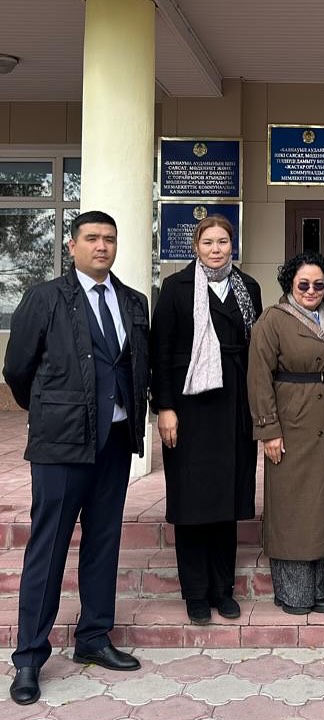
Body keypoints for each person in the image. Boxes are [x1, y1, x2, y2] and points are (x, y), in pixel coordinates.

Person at [2, 211, 150, 705]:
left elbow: (134, 366)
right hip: (61, 445)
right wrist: (53, 410)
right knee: (48, 548)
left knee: (104, 542)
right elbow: (17, 369)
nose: (101, 246)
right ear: (72, 245)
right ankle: (29, 657)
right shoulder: (45, 297)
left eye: (109, 239)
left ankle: (93, 637)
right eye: (91, 238)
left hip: (114, 442)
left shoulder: (133, 301)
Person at [150, 215, 262, 624]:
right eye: (208, 242)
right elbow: (160, 352)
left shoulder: (248, 287)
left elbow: (257, 348)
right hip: (189, 406)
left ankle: (222, 589)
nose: (216, 249)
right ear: (195, 246)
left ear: (233, 245)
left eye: (223, 242)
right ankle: (196, 593)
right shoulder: (176, 287)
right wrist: (164, 407)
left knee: (225, 502)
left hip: (234, 403)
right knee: (192, 501)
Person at [248, 252, 324, 614]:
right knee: (292, 506)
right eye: (303, 283)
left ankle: (321, 591)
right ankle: (294, 593)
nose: (311, 290)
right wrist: (269, 430)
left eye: (319, 284)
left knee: (323, 506)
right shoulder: (272, 320)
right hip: (290, 423)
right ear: (290, 283)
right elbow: (259, 377)